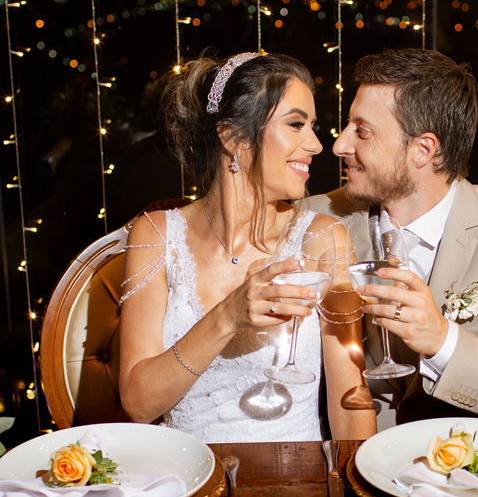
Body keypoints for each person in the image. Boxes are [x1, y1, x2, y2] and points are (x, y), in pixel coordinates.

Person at [118, 52, 376, 443]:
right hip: (189, 479)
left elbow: (350, 401)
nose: (317, 145)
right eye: (296, 125)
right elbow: (138, 404)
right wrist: (228, 316)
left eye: (313, 127)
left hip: (295, 484)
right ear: (233, 136)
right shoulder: (155, 235)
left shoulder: (324, 240)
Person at [307, 48, 478, 432]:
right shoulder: (313, 220)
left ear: (423, 150)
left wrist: (443, 341)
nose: (340, 145)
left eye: (362, 131)